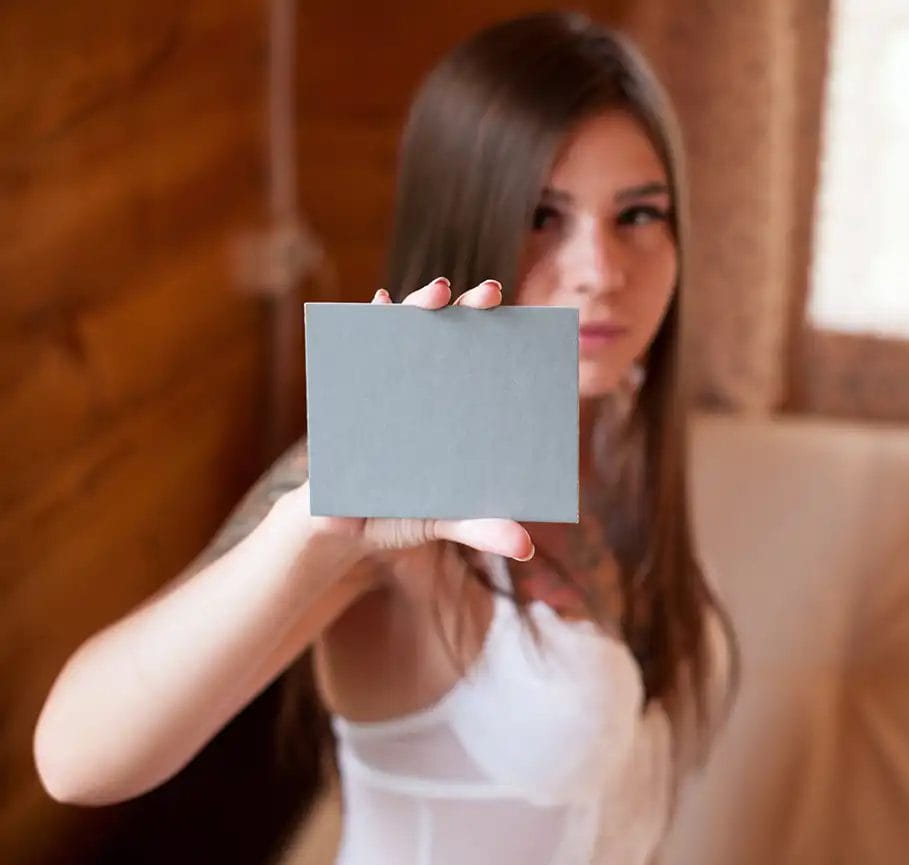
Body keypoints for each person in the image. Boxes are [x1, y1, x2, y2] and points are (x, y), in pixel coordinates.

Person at [33, 11, 735, 865]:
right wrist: (313, 525)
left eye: (637, 214)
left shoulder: (621, 432)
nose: (602, 268)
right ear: (466, 217)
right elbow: (75, 759)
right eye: (543, 214)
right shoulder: (386, 483)